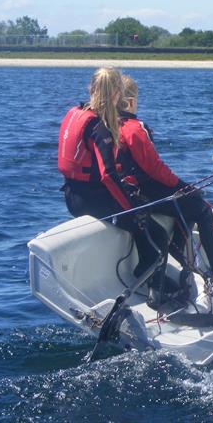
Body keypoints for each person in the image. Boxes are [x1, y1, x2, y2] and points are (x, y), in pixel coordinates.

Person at [116, 74, 213, 288]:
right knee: (201, 208)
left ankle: (176, 249)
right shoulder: (135, 128)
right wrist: (183, 187)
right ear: (130, 101)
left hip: (126, 191)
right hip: (144, 191)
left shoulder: (108, 124)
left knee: (187, 201)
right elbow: (154, 168)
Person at [57, 67, 168, 290]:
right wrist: (132, 210)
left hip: (71, 195)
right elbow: (108, 175)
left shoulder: (74, 113)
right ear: (117, 94)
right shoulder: (100, 128)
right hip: (90, 201)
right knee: (158, 233)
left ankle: (146, 273)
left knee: (140, 208)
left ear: (91, 89)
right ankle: (157, 292)